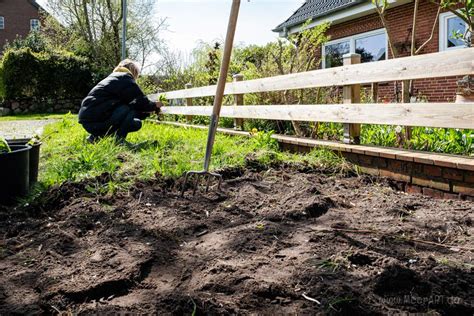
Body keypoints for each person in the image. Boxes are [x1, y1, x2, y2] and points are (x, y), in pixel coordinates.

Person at [78, 59, 162, 144]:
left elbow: (134, 108)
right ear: (133, 71)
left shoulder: (113, 78)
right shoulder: (124, 78)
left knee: (136, 123)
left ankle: (94, 137)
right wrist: (155, 105)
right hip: (98, 119)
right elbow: (139, 101)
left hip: (89, 121)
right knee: (130, 106)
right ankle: (119, 141)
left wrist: (148, 112)